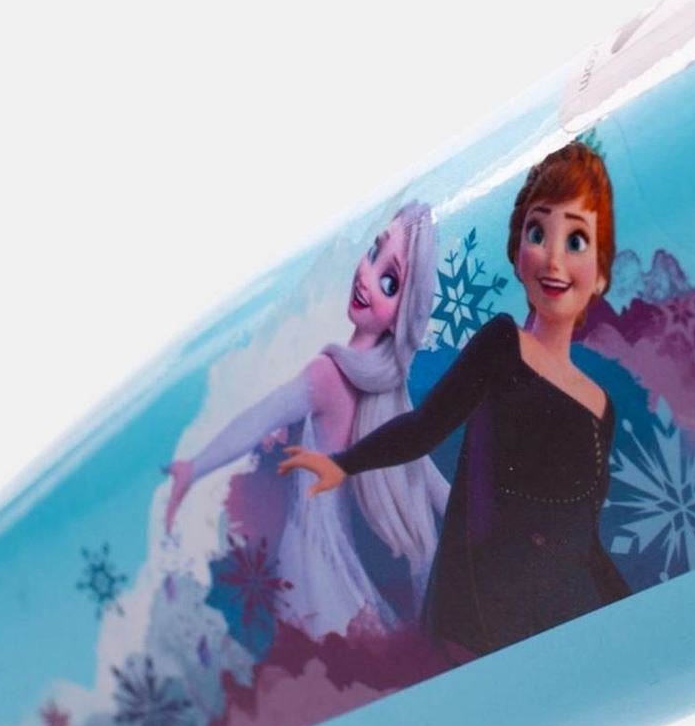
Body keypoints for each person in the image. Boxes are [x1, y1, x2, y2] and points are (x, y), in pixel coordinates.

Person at [280, 141, 630, 656]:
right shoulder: (503, 344)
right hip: (481, 610)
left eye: (576, 240)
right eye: (538, 233)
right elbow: (425, 427)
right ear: (517, 252)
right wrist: (344, 463)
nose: (553, 259)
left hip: (564, 614)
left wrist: (629, 610)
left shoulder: (600, 406)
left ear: (600, 273)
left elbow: (584, 533)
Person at [164, 203, 448, 640]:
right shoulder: (383, 393)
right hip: (339, 575)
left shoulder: (331, 376)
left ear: (403, 313)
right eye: (374, 253)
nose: (366, 277)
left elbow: (257, 420)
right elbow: (437, 489)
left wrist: (193, 467)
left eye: (390, 282)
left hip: (308, 569)